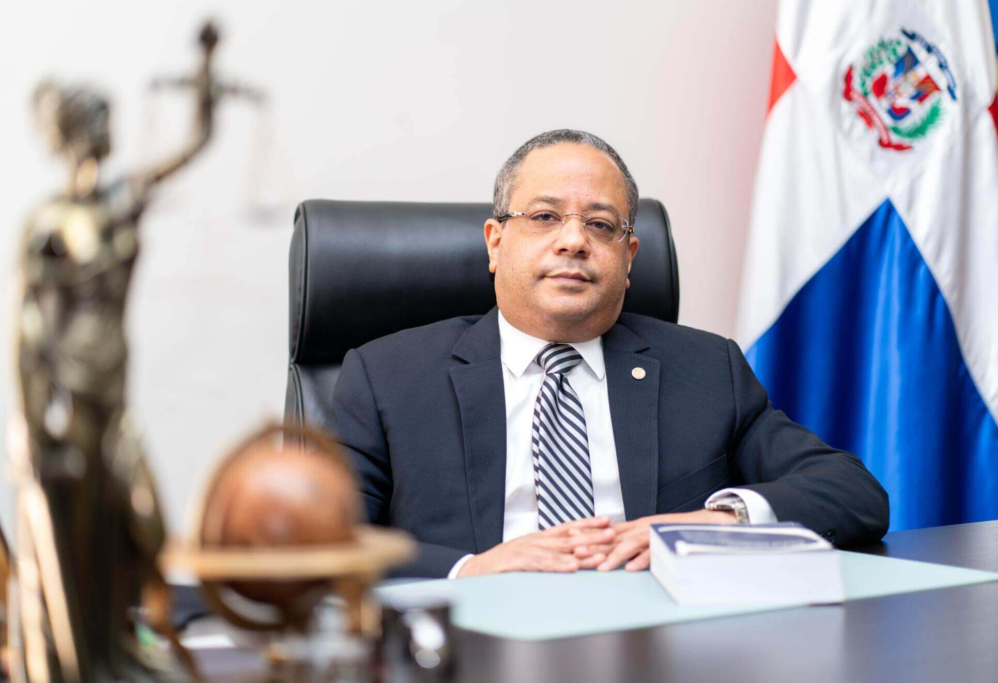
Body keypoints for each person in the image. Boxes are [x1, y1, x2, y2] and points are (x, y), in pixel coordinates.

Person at [326, 129, 889, 579]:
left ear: (629, 257)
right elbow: (325, 537)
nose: (574, 241)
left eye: (600, 225)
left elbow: (852, 493)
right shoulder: (388, 377)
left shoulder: (706, 370)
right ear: (495, 242)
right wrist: (469, 569)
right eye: (544, 217)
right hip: (473, 643)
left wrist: (717, 521)